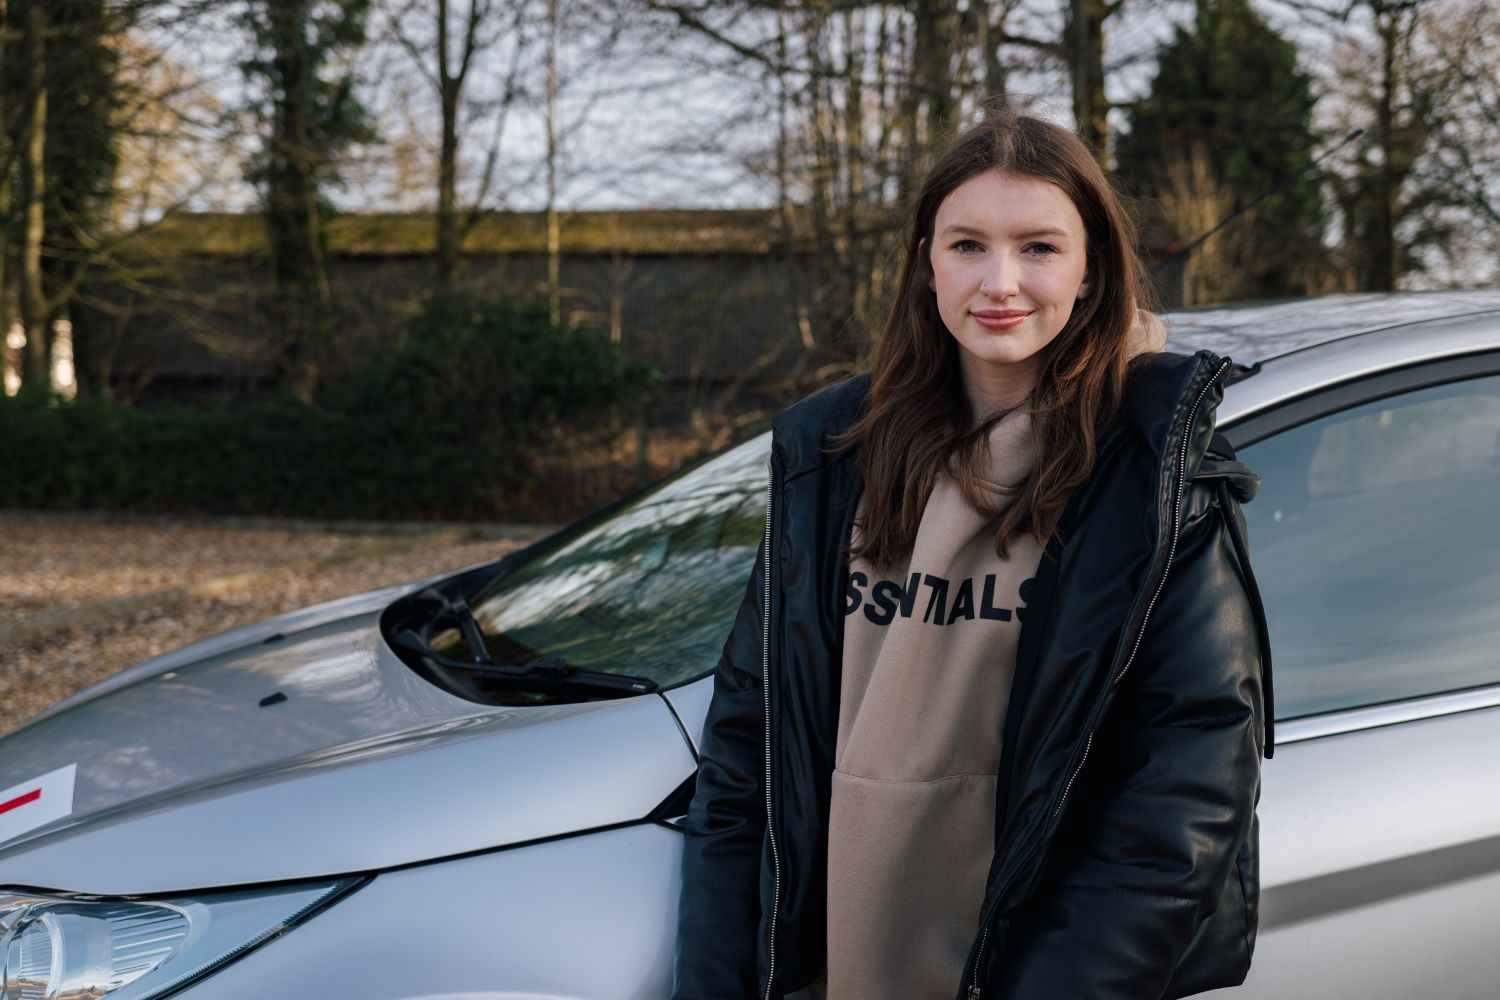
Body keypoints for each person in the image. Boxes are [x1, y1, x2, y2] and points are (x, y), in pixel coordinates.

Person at [672, 108, 1274, 1000]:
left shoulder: (1153, 471)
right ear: (926, 260)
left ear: (1091, 268)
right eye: (967, 245)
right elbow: (746, 752)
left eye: (1038, 247)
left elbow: (1181, 795)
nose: (1000, 282)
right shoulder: (833, 454)